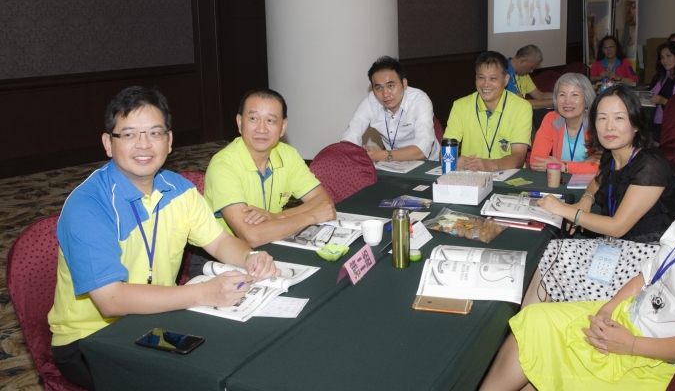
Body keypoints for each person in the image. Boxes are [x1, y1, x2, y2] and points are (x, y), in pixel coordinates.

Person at [480, 130, 675, 391]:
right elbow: (647, 276)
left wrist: (632, 345)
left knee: (537, 354)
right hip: (633, 318)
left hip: (661, 360)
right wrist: (608, 309)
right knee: (534, 322)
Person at [48, 86, 280, 391]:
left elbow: (220, 241)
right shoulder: (89, 206)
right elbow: (111, 300)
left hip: (157, 320)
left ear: (169, 141)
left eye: (155, 133)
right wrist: (203, 293)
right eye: (129, 134)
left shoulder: (179, 189)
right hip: (92, 339)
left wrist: (250, 257)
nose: (144, 144)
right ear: (108, 143)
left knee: (240, 355)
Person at [525, 86, 675, 304]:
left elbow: (618, 227)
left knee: (555, 260)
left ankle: (538, 317)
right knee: (550, 252)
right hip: (617, 246)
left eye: (619, 118)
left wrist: (565, 210)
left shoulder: (651, 166)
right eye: (602, 118)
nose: (609, 127)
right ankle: (531, 319)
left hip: (646, 258)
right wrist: (586, 200)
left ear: (636, 123)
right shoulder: (612, 154)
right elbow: (597, 182)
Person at [204, 89, 336, 248]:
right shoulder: (223, 166)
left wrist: (276, 217)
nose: (261, 129)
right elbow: (252, 236)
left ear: (283, 127)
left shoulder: (288, 155)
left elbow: (324, 202)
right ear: (239, 122)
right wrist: (311, 217)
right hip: (227, 254)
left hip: (274, 242)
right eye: (253, 118)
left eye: (270, 120)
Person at [444, 51, 532, 171]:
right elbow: (445, 149)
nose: (486, 84)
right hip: (470, 176)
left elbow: (519, 156)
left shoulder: (522, 107)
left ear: (506, 80)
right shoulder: (460, 106)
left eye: (493, 78)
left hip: (508, 176)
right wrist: (454, 160)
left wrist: (491, 165)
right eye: (481, 77)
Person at [341, 56, 440, 161]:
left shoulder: (419, 101)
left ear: (404, 83)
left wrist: (383, 155)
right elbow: (350, 136)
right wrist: (348, 149)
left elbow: (421, 151)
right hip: (392, 163)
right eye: (378, 88)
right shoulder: (370, 103)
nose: (385, 94)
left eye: (391, 86)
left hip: (428, 163)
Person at [528, 73, 601, 175]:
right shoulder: (551, 119)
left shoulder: (597, 122)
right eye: (562, 95)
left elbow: (602, 166)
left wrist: (564, 166)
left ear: (586, 99)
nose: (567, 101)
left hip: (590, 182)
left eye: (574, 95)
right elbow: (536, 162)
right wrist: (581, 165)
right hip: (559, 181)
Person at [506, 44, 554, 109]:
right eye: (532, 67)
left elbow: (540, 96)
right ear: (523, 61)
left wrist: (561, 96)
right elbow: (521, 103)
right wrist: (556, 102)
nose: (531, 71)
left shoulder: (523, 73)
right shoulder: (504, 73)